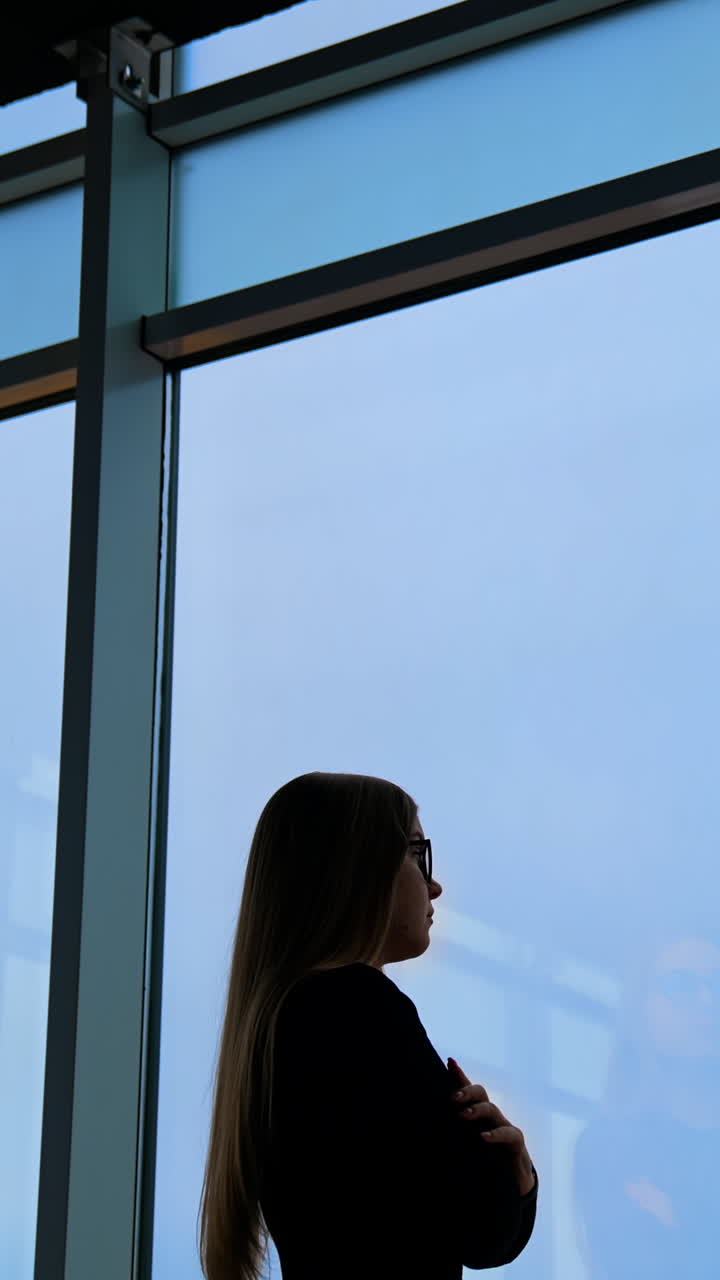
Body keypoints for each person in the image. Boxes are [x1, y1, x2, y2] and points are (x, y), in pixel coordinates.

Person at [198, 771, 538, 1280]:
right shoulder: (360, 1008)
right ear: (357, 868)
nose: (435, 884)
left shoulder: (279, 1024)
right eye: (417, 854)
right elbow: (483, 1231)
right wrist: (512, 1166)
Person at [573, 929, 720, 1279]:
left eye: (716, 984)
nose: (707, 1001)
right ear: (642, 1006)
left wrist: (682, 1224)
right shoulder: (610, 1146)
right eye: (682, 985)